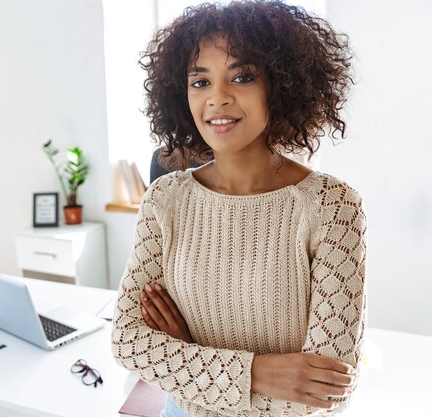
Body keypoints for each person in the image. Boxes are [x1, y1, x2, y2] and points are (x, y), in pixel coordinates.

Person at [111, 1, 367, 417]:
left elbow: (324, 392)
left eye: (242, 77)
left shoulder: (332, 206)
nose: (218, 98)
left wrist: (186, 355)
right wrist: (257, 373)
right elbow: (127, 341)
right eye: (200, 82)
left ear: (281, 87)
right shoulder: (165, 199)